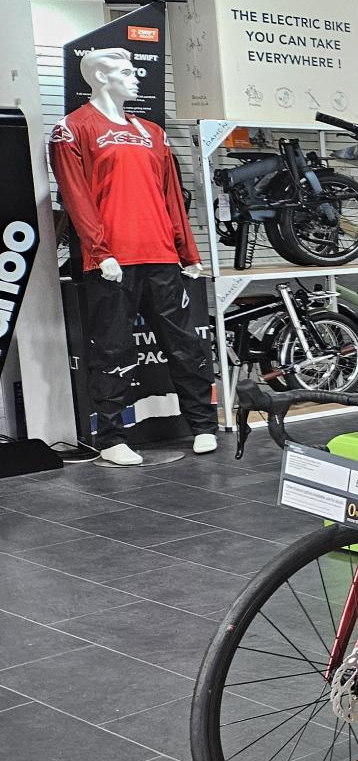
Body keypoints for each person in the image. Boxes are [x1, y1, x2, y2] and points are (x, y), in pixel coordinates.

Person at [49, 48, 216, 465]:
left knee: (184, 345)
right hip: (111, 263)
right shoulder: (72, 129)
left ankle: (202, 425)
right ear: (100, 77)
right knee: (112, 349)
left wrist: (187, 251)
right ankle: (111, 438)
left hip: (161, 256)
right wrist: (99, 250)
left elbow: (171, 196)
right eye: (126, 72)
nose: (136, 78)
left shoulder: (153, 133)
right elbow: (76, 197)